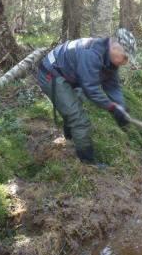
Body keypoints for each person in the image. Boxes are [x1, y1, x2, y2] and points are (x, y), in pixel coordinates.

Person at [37, 28, 136, 165]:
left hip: (70, 75)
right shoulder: (91, 54)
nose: (125, 62)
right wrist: (113, 108)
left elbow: (112, 86)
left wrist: (121, 107)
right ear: (114, 46)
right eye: (125, 56)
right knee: (79, 120)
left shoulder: (110, 59)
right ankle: (87, 162)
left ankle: (70, 139)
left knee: (74, 105)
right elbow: (91, 89)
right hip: (51, 74)